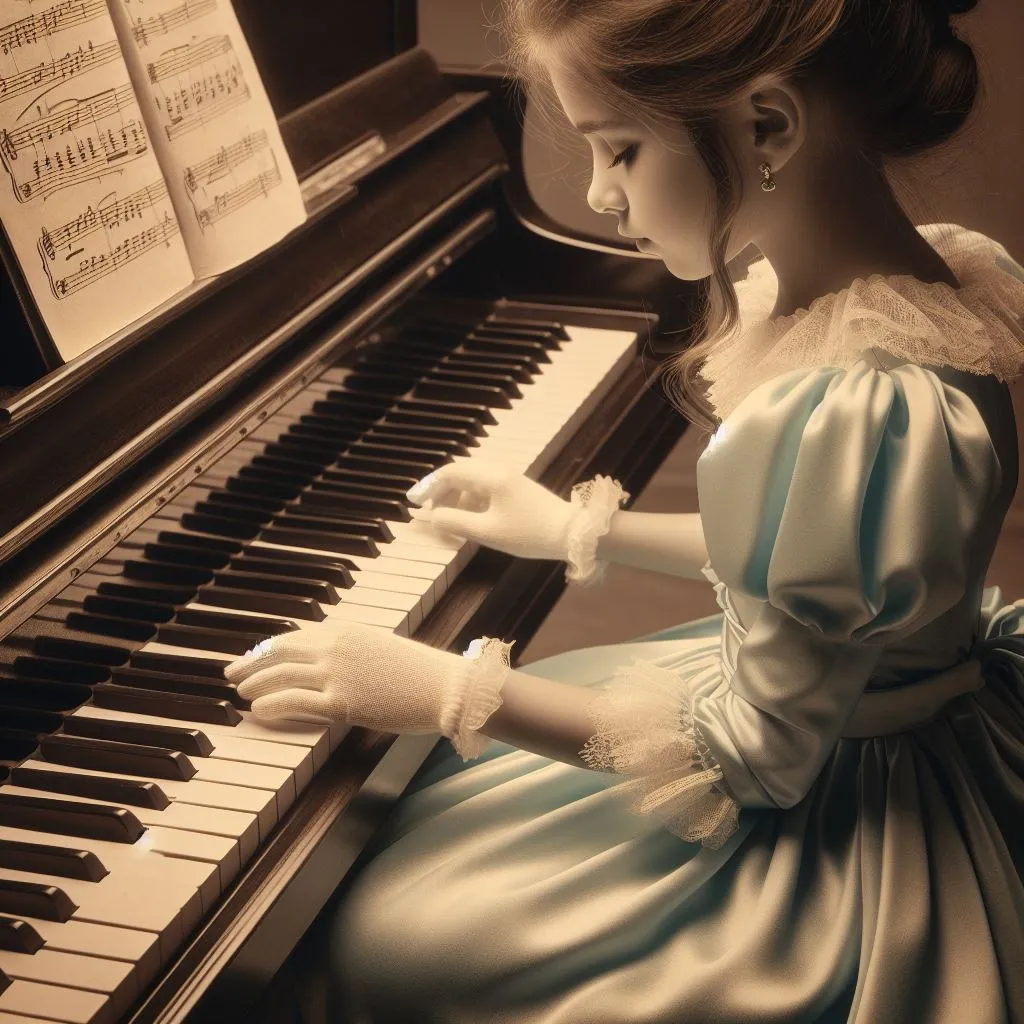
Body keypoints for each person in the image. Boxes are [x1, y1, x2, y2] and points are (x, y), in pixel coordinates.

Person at [231, 0, 1024, 1020]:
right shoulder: (938, 283)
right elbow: (812, 556)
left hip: (846, 812)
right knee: (426, 817)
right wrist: (577, 529)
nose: (602, 195)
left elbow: (750, 761)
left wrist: (446, 688)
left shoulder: (851, 402)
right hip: (877, 704)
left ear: (770, 129)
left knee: (395, 925)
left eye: (619, 151)